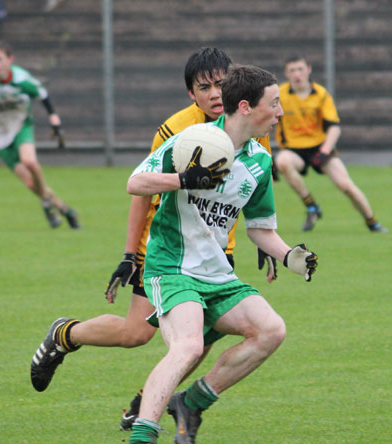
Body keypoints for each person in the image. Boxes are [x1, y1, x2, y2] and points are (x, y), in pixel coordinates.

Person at [29, 48, 277, 414]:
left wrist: (267, 243)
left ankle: (145, 405)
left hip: (215, 248)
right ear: (190, 94)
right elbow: (143, 188)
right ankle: (65, 335)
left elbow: (251, 186)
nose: (213, 93)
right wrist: (131, 254)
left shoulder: (250, 117)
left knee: (203, 337)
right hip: (166, 245)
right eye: (203, 87)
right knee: (136, 334)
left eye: (220, 84)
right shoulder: (177, 129)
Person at [122, 64, 318, 444]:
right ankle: (141, 438)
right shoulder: (193, 141)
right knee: (189, 345)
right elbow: (135, 182)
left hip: (217, 273)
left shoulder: (261, 162)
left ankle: (191, 403)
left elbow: (260, 228)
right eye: (274, 104)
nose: (280, 112)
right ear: (246, 106)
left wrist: (291, 256)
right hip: (172, 268)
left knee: (271, 330)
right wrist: (183, 179)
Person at [0, 40, 80, 229]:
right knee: (31, 185)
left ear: (10, 59)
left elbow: (42, 95)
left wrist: (54, 119)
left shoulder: (21, 79)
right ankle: (65, 210)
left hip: (21, 126)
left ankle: (47, 203)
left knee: (29, 162)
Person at [274, 54, 388, 233]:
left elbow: (334, 128)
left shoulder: (321, 94)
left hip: (320, 147)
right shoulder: (279, 94)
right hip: (294, 149)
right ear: (286, 73)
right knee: (282, 161)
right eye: (292, 70)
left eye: (300, 69)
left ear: (308, 70)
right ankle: (311, 206)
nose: (297, 74)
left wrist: (324, 152)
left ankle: (372, 222)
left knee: (346, 186)